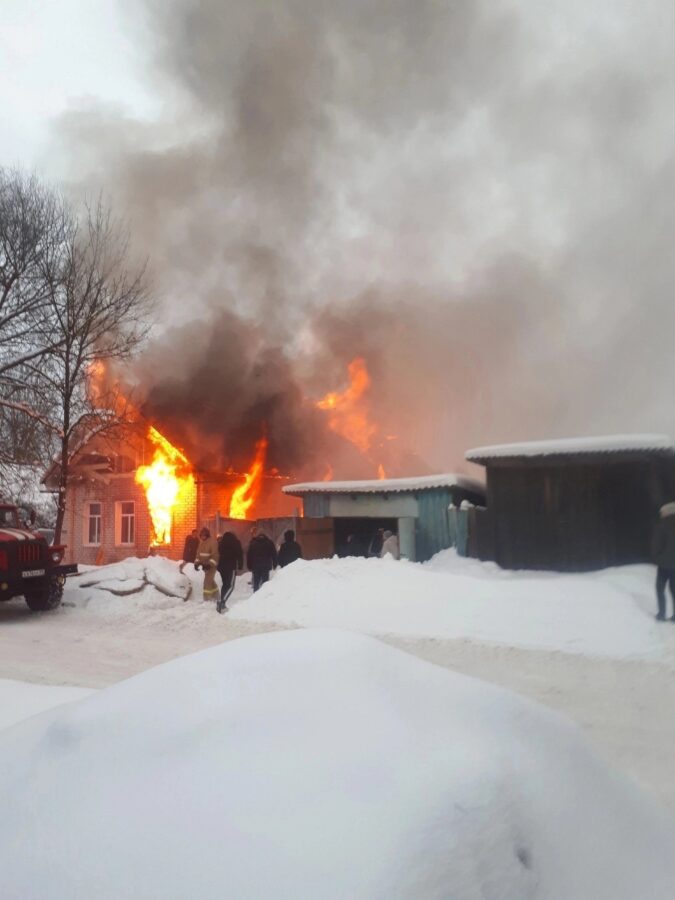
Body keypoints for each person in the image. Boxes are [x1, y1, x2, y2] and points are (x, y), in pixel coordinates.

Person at [651, 502, 675, 621]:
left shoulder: (662, 525)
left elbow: (656, 545)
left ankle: (662, 614)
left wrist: (656, 558)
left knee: (659, 588)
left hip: (664, 565)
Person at [217, 531, 244, 614]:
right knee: (231, 586)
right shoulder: (236, 542)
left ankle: (221, 602)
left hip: (221, 567)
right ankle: (222, 602)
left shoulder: (221, 543)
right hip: (230, 567)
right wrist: (240, 565)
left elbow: (218, 553)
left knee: (225, 584)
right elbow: (239, 554)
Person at [193, 527, 219, 601]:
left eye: (204, 536)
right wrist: (196, 563)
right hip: (205, 566)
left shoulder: (213, 542)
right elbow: (198, 554)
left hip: (211, 566)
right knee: (211, 581)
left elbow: (215, 555)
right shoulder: (201, 543)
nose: (202, 537)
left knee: (207, 582)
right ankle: (216, 596)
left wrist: (209, 564)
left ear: (207, 535)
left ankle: (207, 599)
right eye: (201, 536)